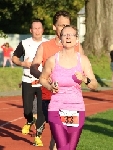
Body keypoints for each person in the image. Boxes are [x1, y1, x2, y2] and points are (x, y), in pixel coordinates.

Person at [30, 10, 84, 150]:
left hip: (72, 100)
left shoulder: (77, 47)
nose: (65, 29)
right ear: (54, 27)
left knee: (66, 136)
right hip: (50, 98)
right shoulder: (45, 47)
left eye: (67, 25)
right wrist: (45, 79)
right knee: (59, 135)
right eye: (61, 25)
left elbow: (83, 69)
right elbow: (34, 67)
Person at [39, 25, 98, 150]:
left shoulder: (83, 60)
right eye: (65, 34)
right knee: (62, 147)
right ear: (60, 39)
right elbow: (42, 79)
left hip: (76, 108)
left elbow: (94, 85)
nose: (68, 37)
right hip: (56, 108)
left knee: (70, 148)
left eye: (71, 35)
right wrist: (50, 87)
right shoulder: (52, 60)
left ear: (77, 40)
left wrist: (84, 79)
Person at [12, 19, 47, 146]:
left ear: (43, 30)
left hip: (44, 82)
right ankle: (29, 120)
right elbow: (14, 57)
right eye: (35, 28)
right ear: (31, 30)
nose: (37, 31)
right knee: (27, 110)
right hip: (28, 80)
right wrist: (23, 63)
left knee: (41, 110)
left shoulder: (48, 44)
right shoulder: (25, 43)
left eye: (39, 28)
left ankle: (38, 136)